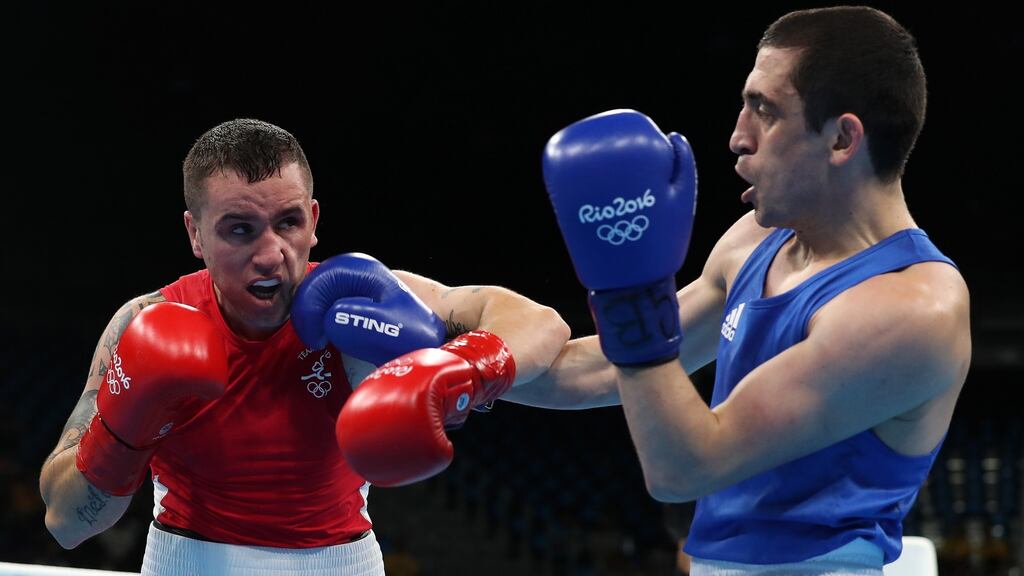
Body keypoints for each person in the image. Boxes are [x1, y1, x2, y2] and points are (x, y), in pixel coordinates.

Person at [512, 6, 971, 575]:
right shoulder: (756, 241)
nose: (736, 137)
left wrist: (630, 291)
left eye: (765, 110)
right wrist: (463, 362)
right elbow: (603, 369)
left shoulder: (913, 307)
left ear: (842, 138)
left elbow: (684, 466)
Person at [38, 118, 570, 576]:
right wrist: (123, 430)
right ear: (195, 234)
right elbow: (65, 524)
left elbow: (539, 324)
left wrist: (454, 370)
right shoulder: (144, 322)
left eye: (287, 222)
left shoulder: (362, 303)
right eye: (239, 230)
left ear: (313, 221)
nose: (270, 255)